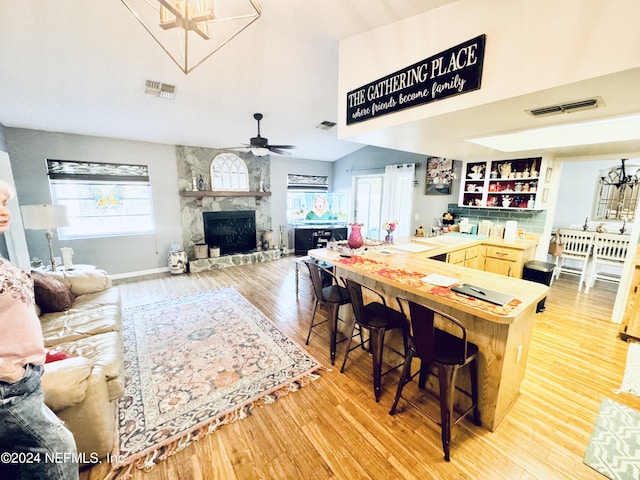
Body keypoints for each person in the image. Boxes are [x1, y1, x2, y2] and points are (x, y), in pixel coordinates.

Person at [0, 180, 79, 480]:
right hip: (8, 386)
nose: (3, 212)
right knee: (57, 452)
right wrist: (9, 370)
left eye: (5, 202)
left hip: (23, 378)